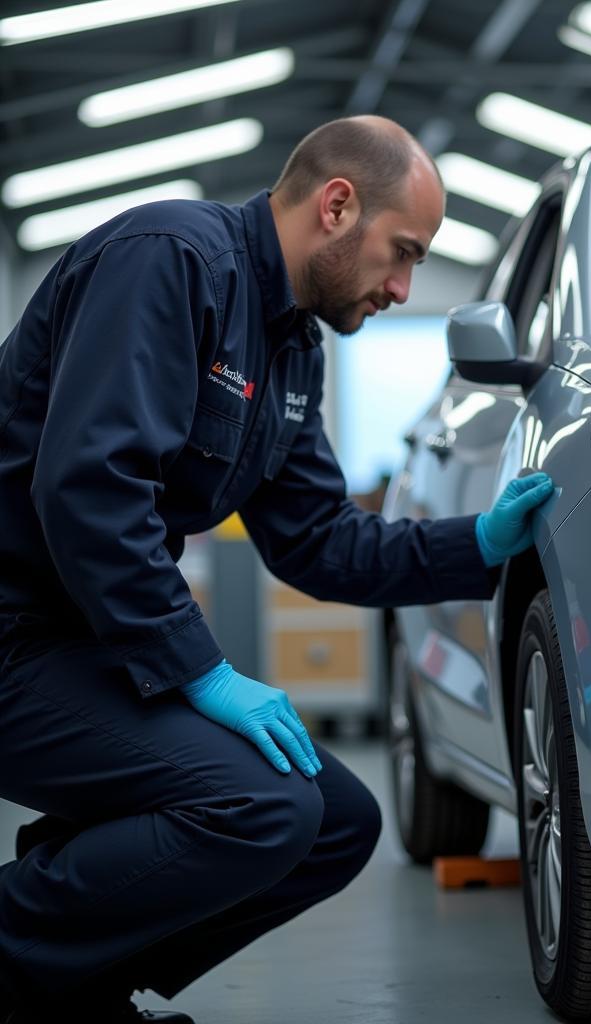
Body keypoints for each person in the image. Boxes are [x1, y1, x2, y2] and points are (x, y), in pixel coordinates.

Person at [0, 115, 553, 1023]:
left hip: (88, 647)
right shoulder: (170, 260)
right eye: (402, 252)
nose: (403, 286)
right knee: (261, 808)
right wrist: (203, 673)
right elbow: (88, 492)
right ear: (338, 205)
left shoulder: (290, 345)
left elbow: (320, 542)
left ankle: (76, 982)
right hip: (17, 639)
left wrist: (479, 545)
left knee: (338, 824)